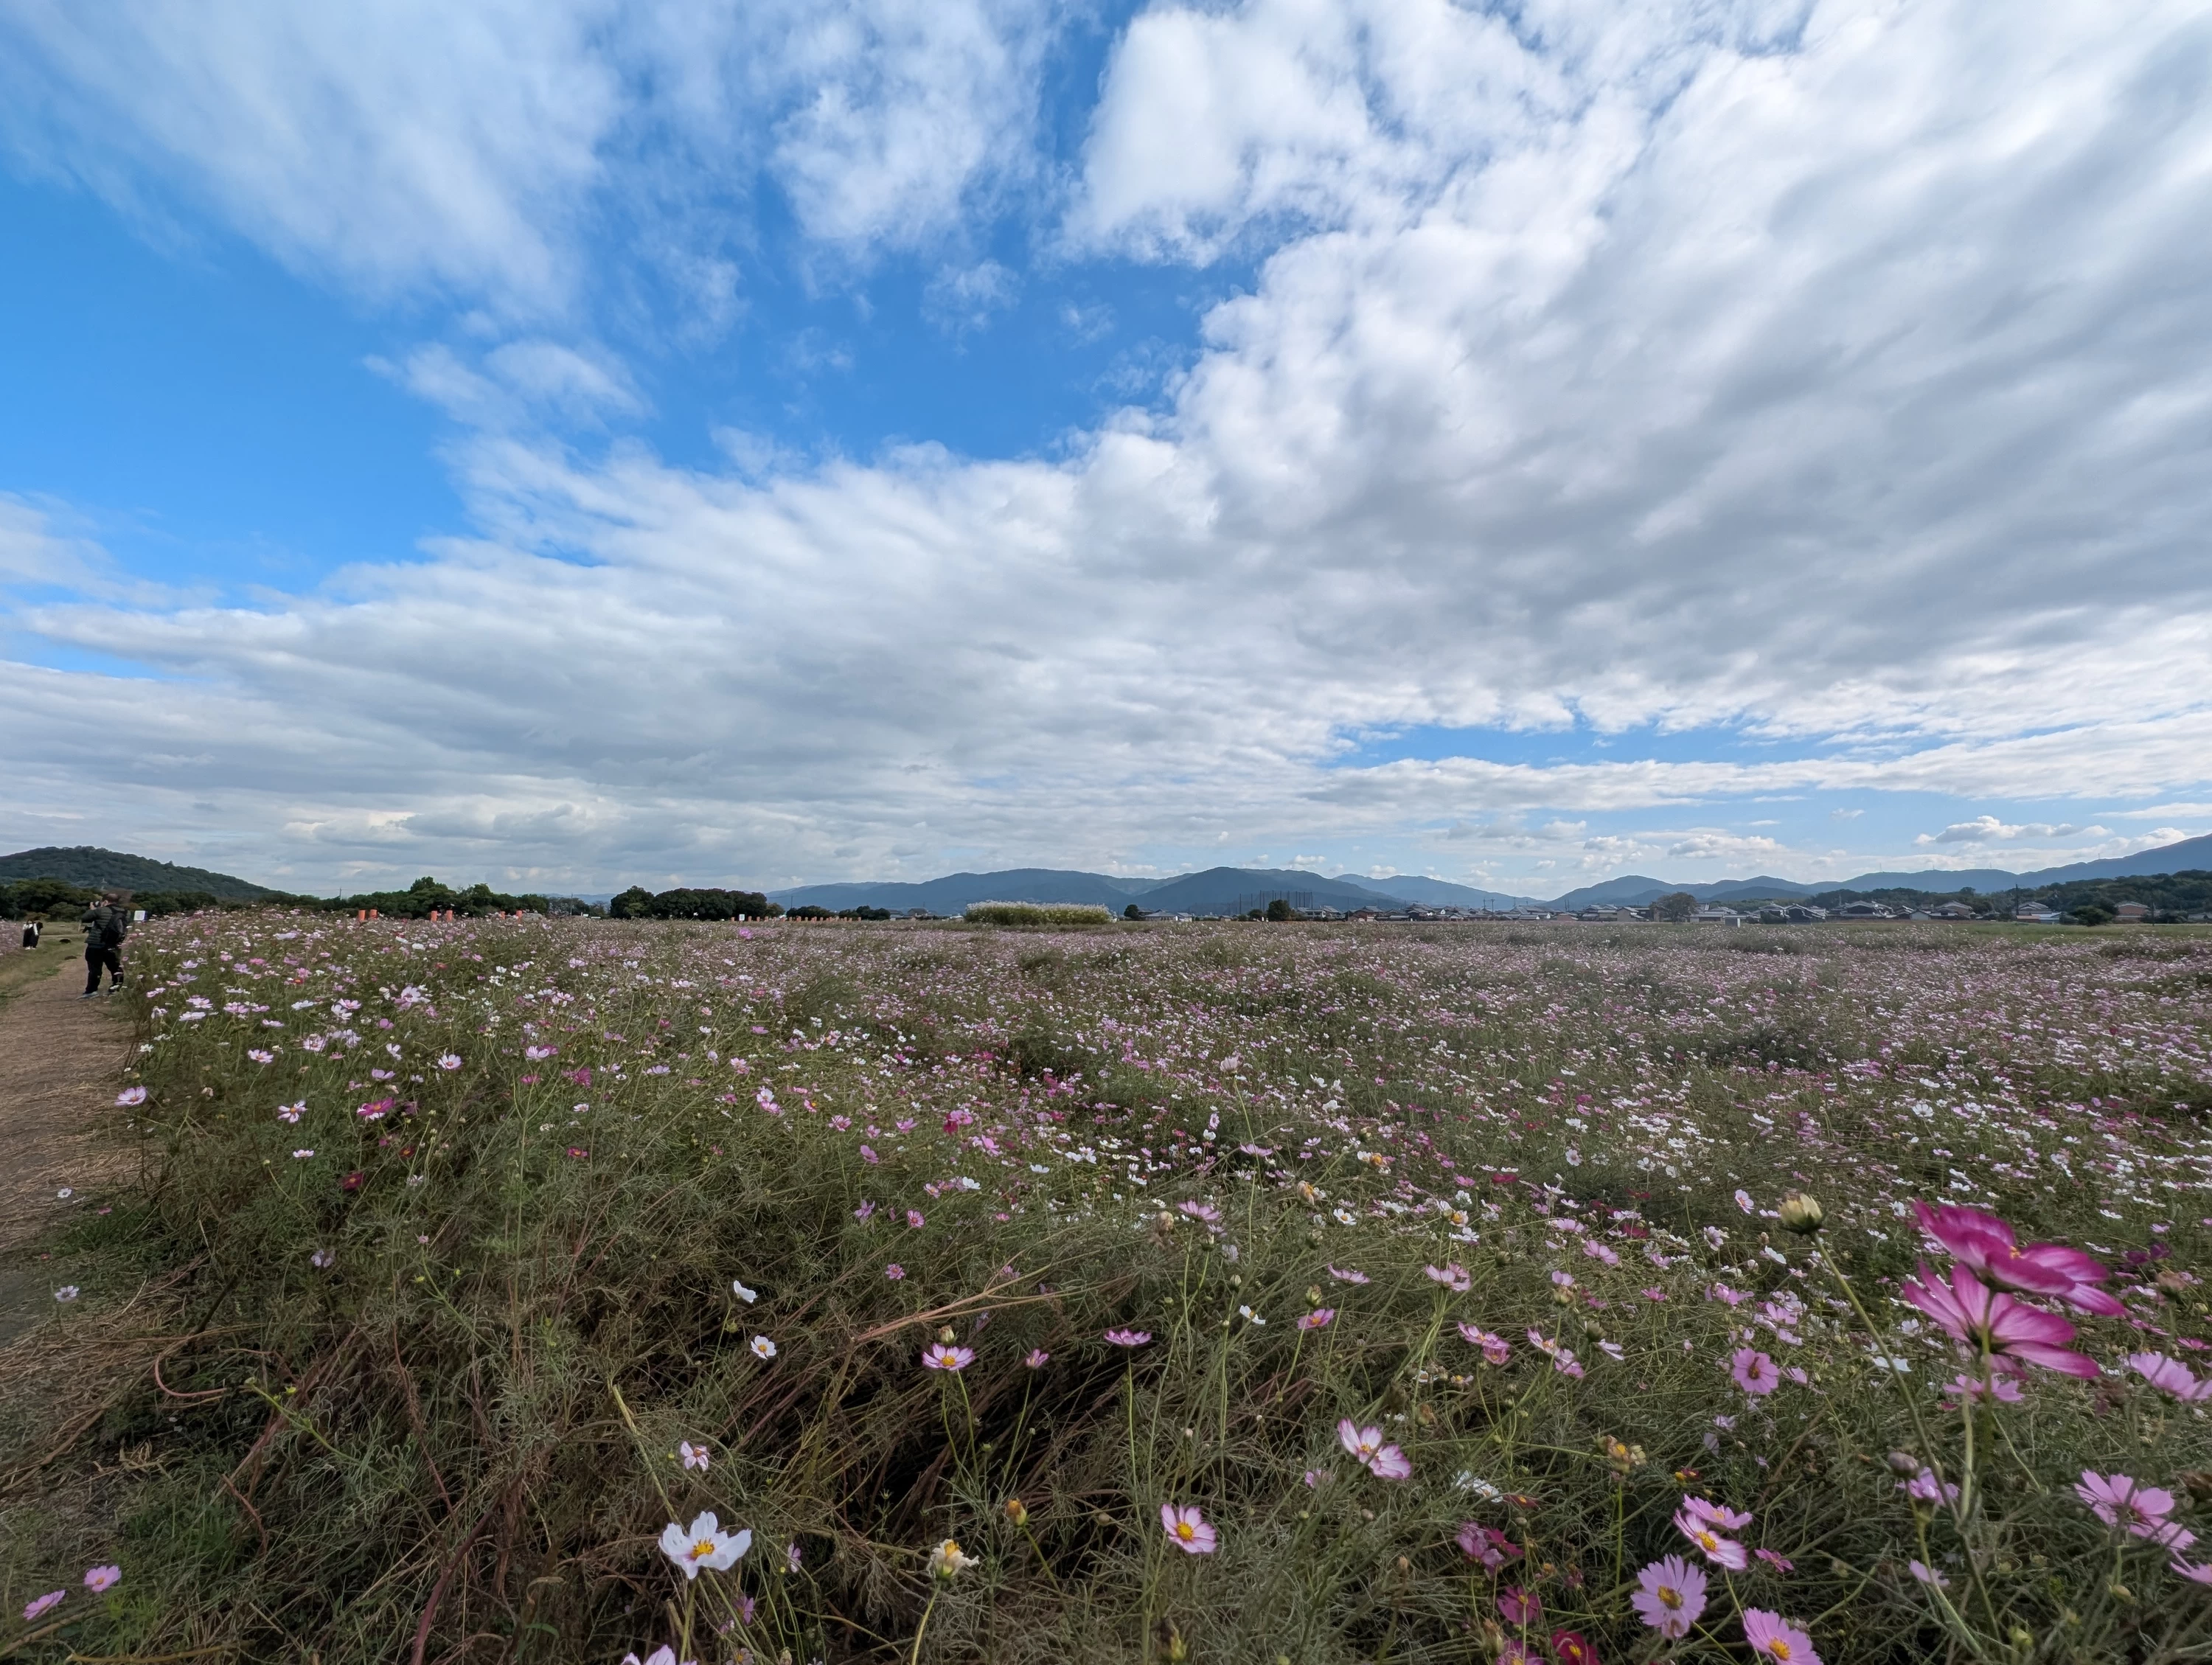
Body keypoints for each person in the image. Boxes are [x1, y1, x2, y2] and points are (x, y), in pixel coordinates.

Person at [81, 891, 128, 996]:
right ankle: (116, 987)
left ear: (105, 901)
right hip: (114, 944)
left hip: (97, 943)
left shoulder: (101, 911)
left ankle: (91, 990)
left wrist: (93, 909)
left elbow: (85, 918)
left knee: (95, 968)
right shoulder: (125, 912)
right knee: (115, 967)